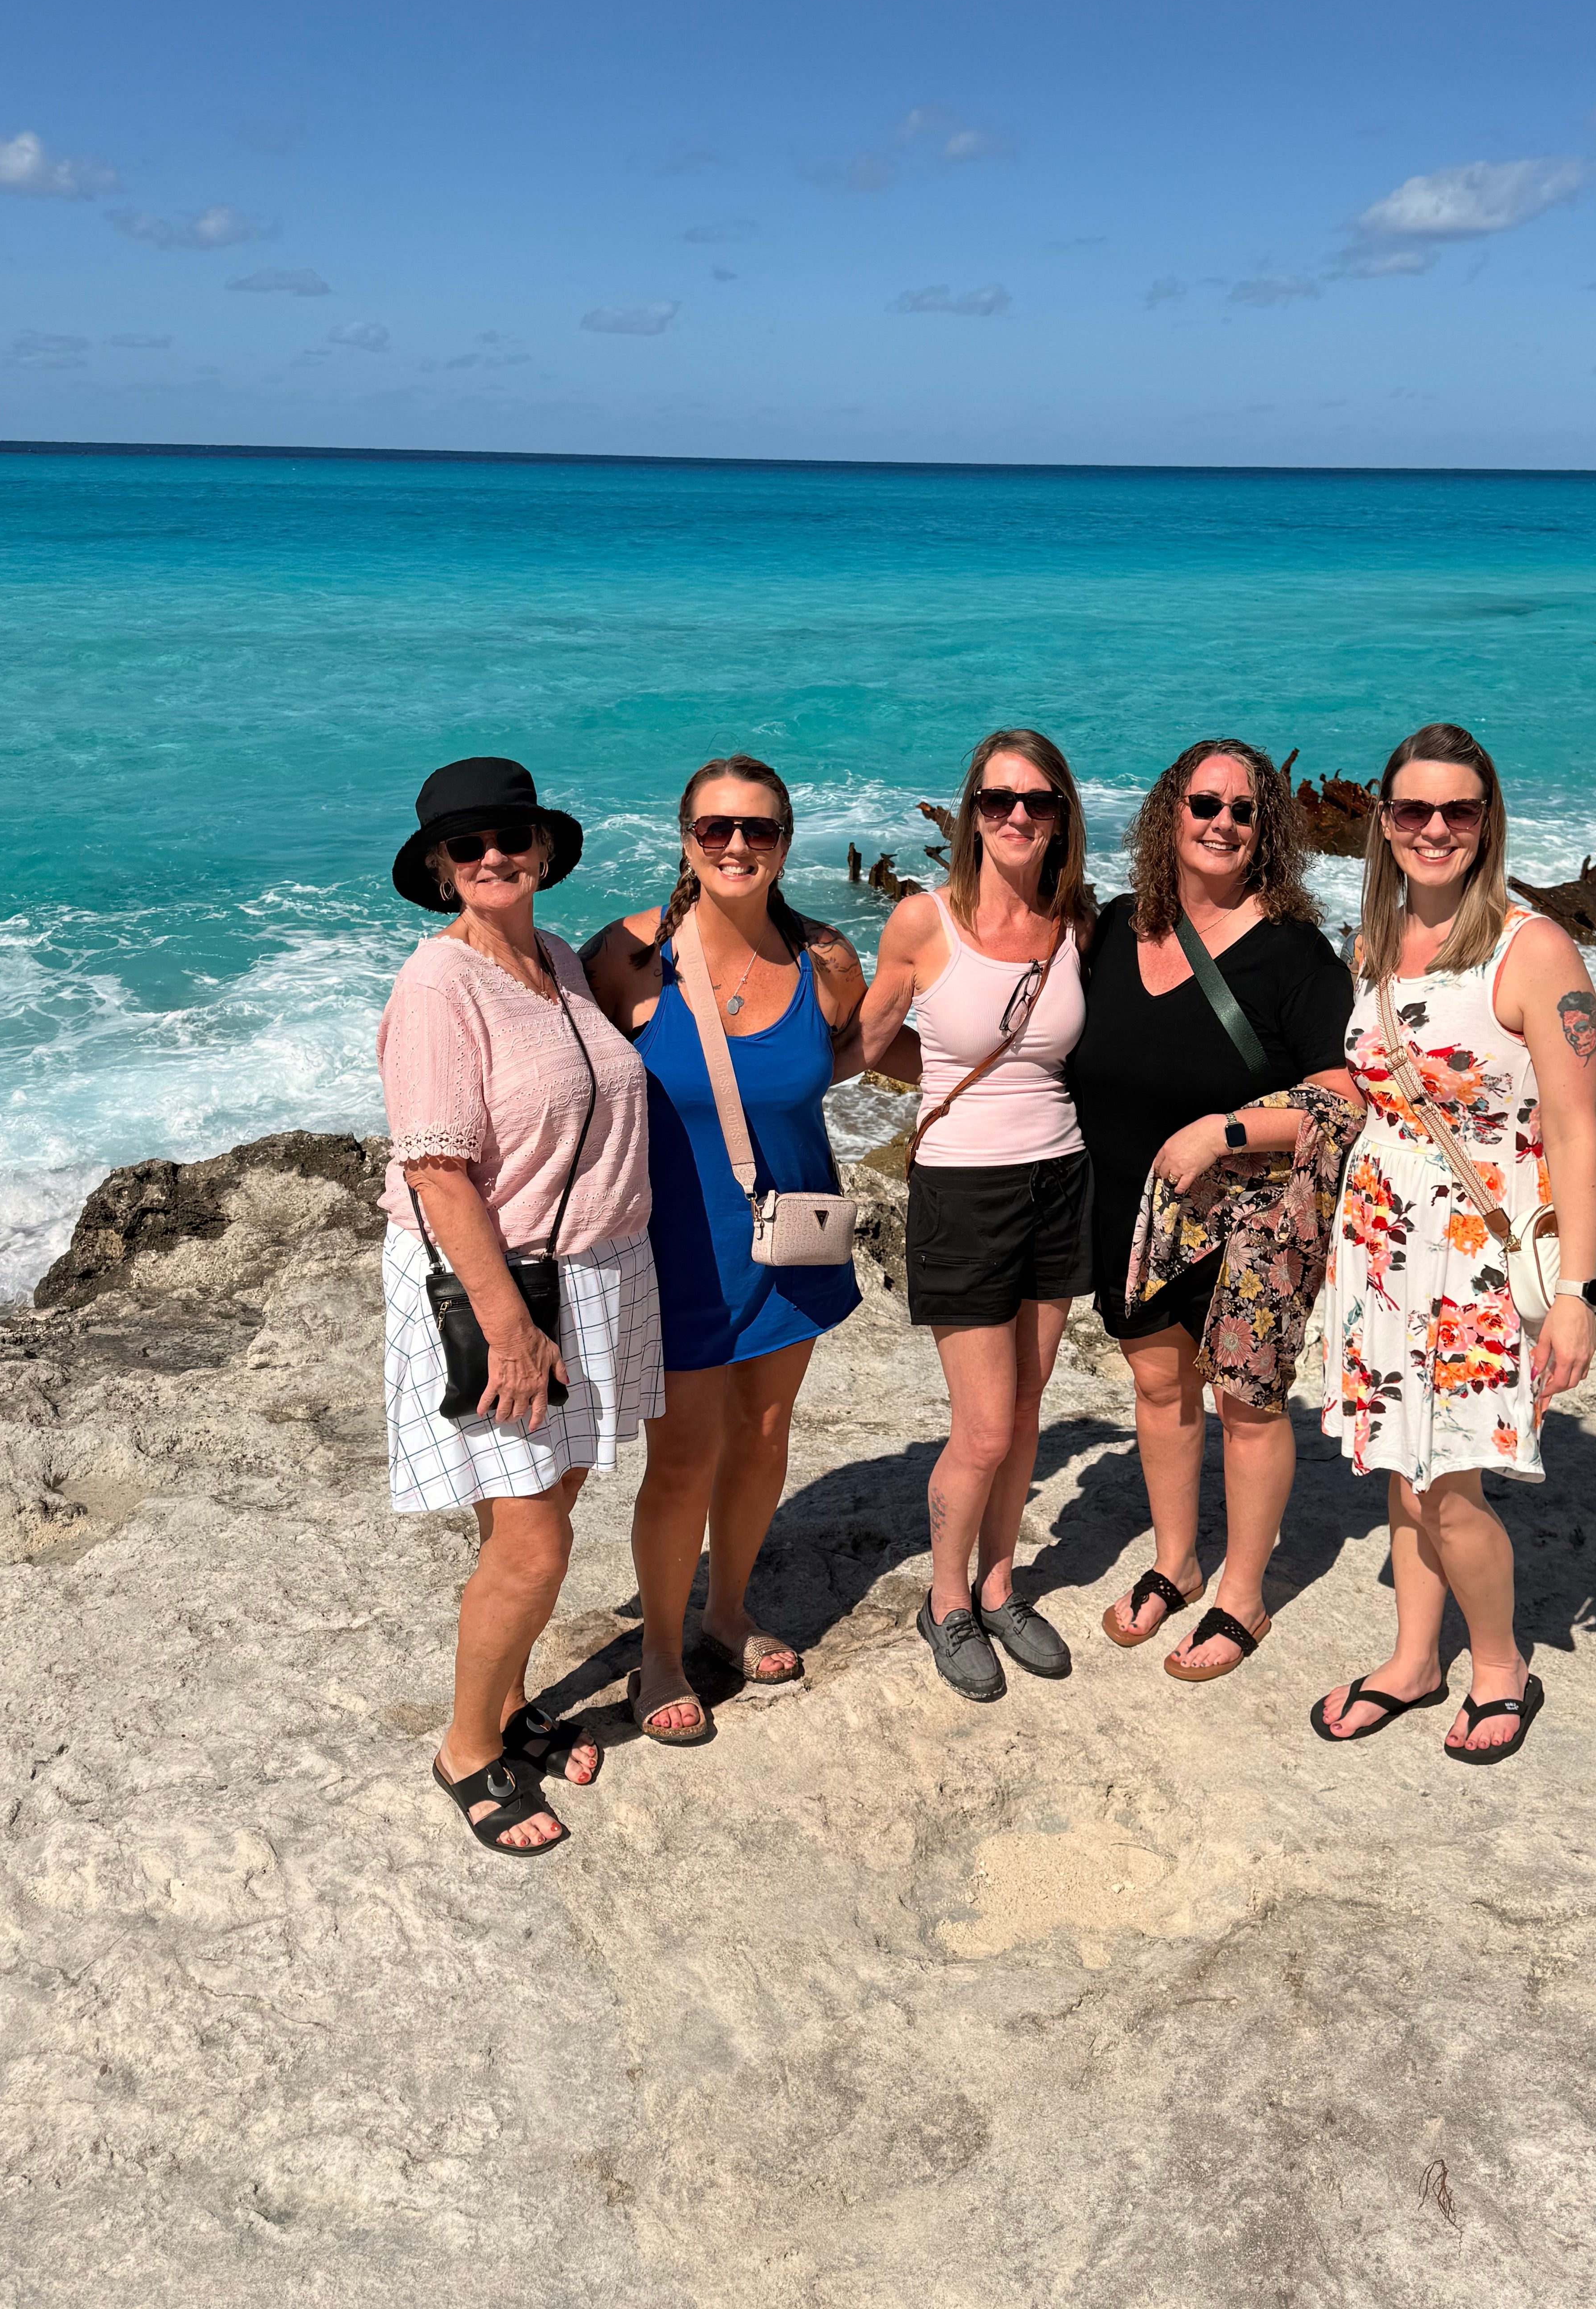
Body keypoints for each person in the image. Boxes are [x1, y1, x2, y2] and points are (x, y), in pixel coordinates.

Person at [380, 757, 662, 1859]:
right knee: (536, 1546)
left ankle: (503, 1703)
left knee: (540, 1511)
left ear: (543, 849)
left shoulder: (558, 960)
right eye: (469, 846)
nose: (493, 856)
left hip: (586, 1274)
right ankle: (465, 1749)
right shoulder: (438, 986)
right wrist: (508, 1327)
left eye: (511, 836)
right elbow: (438, 1172)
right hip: (500, 1288)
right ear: (442, 871)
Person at [1314, 722, 1596, 1763]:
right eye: (1413, 809)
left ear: (1489, 823)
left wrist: (1577, 1293)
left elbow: (1574, 1129)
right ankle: (1412, 1659)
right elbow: (1377, 1091)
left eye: (1458, 811)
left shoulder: (1534, 950)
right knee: (1402, 1463)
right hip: (1381, 1244)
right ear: (1384, 822)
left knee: (1450, 1481)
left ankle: (1499, 1667)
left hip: (1475, 1256)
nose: (1434, 829)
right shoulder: (1377, 937)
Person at [586, 755, 875, 1743]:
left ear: (785, 843)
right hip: (679, 1249)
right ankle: (662, 1651)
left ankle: (729, 1610)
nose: (738, 846)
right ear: (686, 840)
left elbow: (842, 1061)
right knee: (682, 1458)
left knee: (764, 1432)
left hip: (793, 1239)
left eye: (759, 829)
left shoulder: (828, 961)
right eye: (717, 828)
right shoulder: (626, 959)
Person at [1071, 741, 1361, 1681]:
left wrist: (1225, 1132)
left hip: (1250, 1226)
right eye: (1204, 804)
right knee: (1160, 1389)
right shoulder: (1117, 926)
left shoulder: (1294, 954)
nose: (1222, 823)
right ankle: (1176, 1562)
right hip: (1131, 1211)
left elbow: (1343, 1099)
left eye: (1243, 810)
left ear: (1266, 831)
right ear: (1171, 814)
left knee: (1247, 1407)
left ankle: (1242, 1593)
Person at [853, 729, 1097, 1700]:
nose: (1018, 816)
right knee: (985, 1429)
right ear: (973, 813)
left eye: (1038, 801)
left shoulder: (1076, 921)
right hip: (962, 1186)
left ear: (1062, 816)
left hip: (1061, 1178)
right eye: (999, 800)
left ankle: (1001, 1586)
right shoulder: (924, 922)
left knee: (1030, 1407)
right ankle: (945, 1600)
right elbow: (867, 1042)